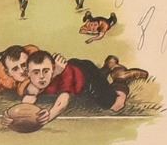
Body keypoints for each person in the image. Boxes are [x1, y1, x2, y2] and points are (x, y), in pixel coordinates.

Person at [21, 50, 151, 122]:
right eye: (36, 72)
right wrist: (15, 118)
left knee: (116, 105)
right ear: (28, 73)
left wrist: (49, 115)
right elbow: (29, 97)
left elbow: (62, 102)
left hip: (87, 78)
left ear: (53, 68)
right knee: (99, 76)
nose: (41, 76)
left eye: (46, 71)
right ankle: (109, 66)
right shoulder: (34, 83)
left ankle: (120, 76)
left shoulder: (65, 74)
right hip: (77, 66)